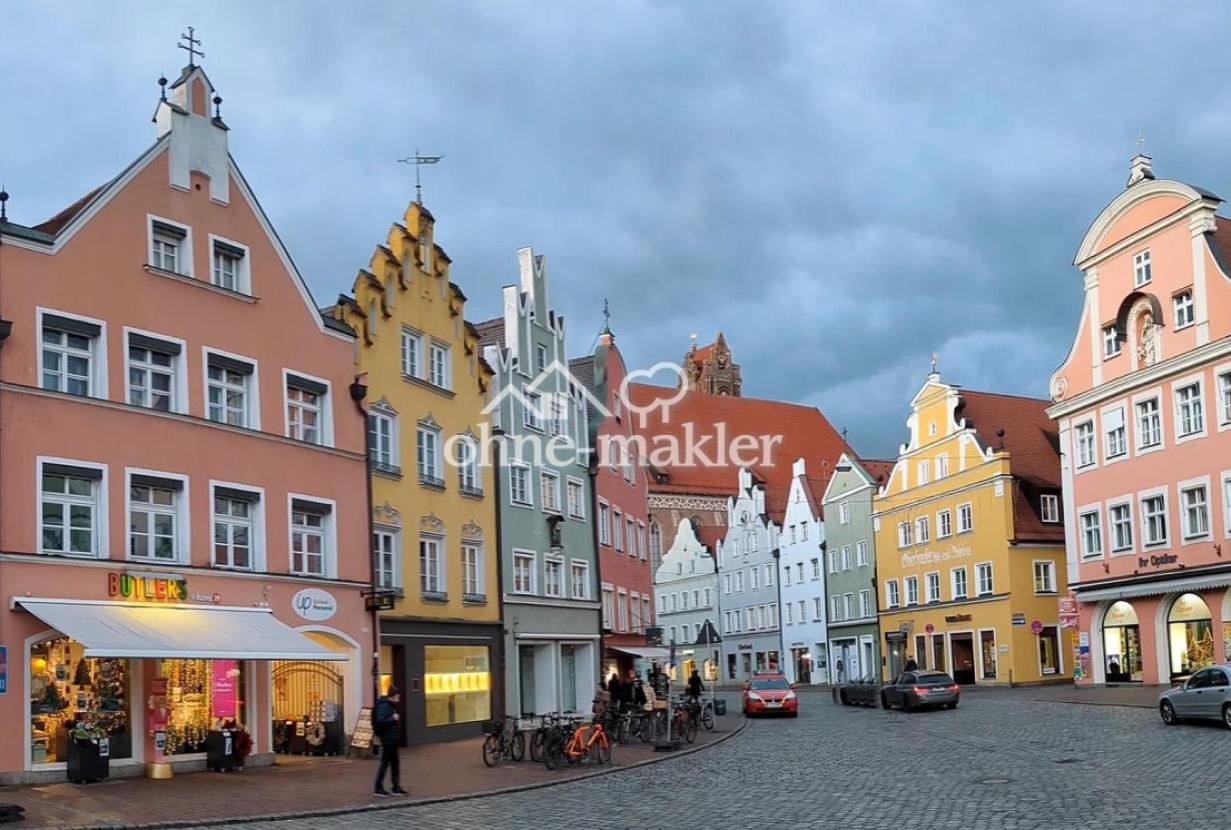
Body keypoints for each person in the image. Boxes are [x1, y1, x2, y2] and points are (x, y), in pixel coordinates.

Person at [372, 687, 406, 797]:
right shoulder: (384, 706)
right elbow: (380, 722)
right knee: (385, 763)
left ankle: (396, 786)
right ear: (393, 695)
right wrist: (393, 718)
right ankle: (378, 787)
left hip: (393, 739)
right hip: (388, 739)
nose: (399, 697)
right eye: (397, 695)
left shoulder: (391, 705)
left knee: (394, 763)